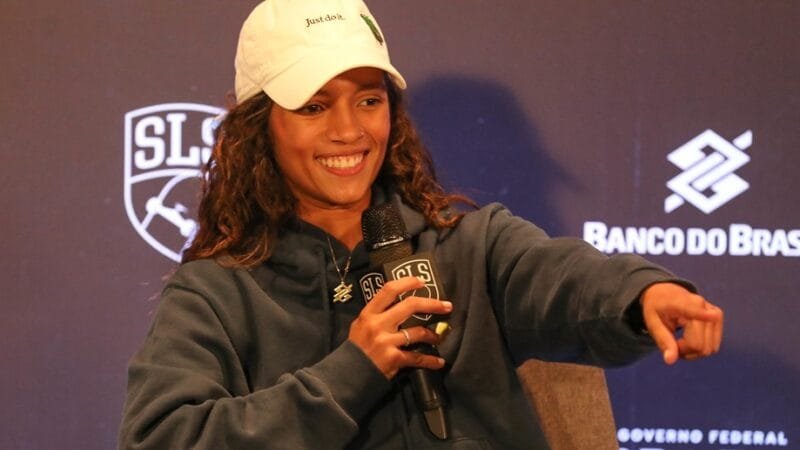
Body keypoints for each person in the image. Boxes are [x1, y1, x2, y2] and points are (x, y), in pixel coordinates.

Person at [118, 0, 724, 449]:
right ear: (260, 128)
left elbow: (562, 278)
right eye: (313, 106)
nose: (349, 131)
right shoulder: (219, 292)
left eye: (369, 99)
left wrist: (644, 292)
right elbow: (165, 439)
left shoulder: (471, 246)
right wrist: (352, 371)